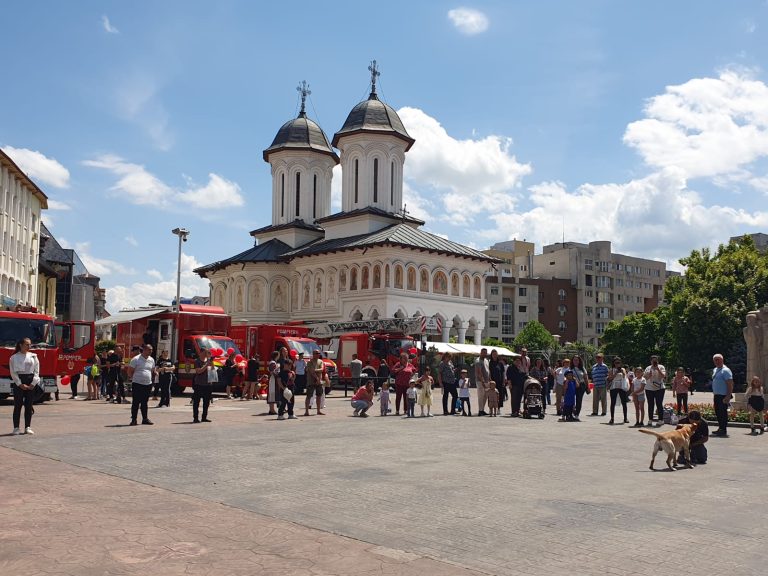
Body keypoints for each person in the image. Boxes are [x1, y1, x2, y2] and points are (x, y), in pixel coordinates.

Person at [9, 338, 39, 435]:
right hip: (19, 381)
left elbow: (37, 371)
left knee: (29, 405)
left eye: (30, 344)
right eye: (27, 344)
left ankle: (27, 427)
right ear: (21, 345)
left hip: (30, 381)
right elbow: (13, 373)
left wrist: (33, 383)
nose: (29, 346)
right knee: (17, 405)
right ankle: (16, 428)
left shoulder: (33, 356)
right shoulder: (14, 357)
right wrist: (19, 384)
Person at [126, 344, 155, 426]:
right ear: (144, 350)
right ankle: (134, 419)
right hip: (137, 384)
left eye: (151, 350)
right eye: (149, 349)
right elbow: (129, 371)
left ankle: (145, 419)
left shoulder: (151, 359)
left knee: (145, 402)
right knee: (136, 402)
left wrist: (154, 375)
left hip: (147, 384)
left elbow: (152, 370)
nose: (151, 351)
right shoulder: (136, 359)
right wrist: (134, 378)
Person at [711, 353, 734, 437]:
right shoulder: (715, 369)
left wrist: (728, 396)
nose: (716, 361)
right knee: (718, 412)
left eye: (718, 359)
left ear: (722, 360)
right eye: (715, 360)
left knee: (723, 413)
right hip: (717, 395)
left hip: (723, 395)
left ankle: (723, 430)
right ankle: (720, 428)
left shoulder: (726, 370)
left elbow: (730, 384)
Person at [643, 355, 667, 424]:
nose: (654, 362)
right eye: (653, 360)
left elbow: (663, 376)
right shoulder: (648, 368)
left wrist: (658, 369)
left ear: (658, 361)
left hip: (660, 388)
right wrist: (649, 375)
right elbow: (644, 378)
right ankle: (650, 419)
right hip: (649, 388)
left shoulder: (661, 367)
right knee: (650, 404)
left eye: (656, 360)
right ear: (651, 361)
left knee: (659, 403)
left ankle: (661, 420)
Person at [391, 351, 416, 416]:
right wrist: (400, 368)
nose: (405, 360)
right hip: (399, 384)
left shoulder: (410, 365)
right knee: (398, 397)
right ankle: (397, 411)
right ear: (401, 359)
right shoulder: (398, 364)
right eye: (404, 358)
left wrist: (411, 375)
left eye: (406, 358)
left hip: (407, 384)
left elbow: (414, 370)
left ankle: (405, 410)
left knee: (406, 398)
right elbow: (393, 371)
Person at [192, 348, 213, 423]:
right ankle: (195, 418)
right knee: (196, 402)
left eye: (207, 352)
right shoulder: (197, 361)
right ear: (200, 353)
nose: (206, 354)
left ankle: (204, 417)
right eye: (205, 352)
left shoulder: (208, 361)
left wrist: (211, 362)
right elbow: (199, 371)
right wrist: (206, 365)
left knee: (206, 402)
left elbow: (212, 370)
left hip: (207, 384)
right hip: (199, 384)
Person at [607, 357, 629, 425]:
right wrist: (615, 373)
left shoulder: (623, 369)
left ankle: (625, 418)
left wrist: (623, 373)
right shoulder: (611, 369)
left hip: (621, 386)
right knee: (612, 402)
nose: (617, 364)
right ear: (614, 363)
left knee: (624, 402)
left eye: (619, 363)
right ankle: (612, 418)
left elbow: (625, 377)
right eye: (616, 363)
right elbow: (610, 378)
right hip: (614, 386)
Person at [304, 349, 325, 416]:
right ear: (313, 354)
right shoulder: (309, 362)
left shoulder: (320, 361)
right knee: (309, 396)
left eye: (318, 353)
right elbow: (311, 371)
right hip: (311, 381)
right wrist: (317, 378)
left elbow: (322, 369)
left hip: (319, 381)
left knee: (319, 396)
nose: (318, 354)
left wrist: (316, 371)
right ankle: (306, 411)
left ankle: (318, 410)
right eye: (316, 353)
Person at [570, 354, 590, 421]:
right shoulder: (570, 368)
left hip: (581, 385)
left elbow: (586, 378)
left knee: (579, 400)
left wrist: (588, 386)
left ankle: (577, 414)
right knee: (571, 399)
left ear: (579, 361)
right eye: (574, 360)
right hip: (572, 385)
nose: (575, 361)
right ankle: (571, 412)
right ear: (572, 361)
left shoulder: (582, 368)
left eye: (577, 360)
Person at [474, 348, 490, 416]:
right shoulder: (478, 361)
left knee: (485, 396)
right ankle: (480, 410)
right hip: (480, 381)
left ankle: (482, 409)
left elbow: (488, 370)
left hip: (487, 381)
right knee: (481, 396)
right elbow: (479, 372)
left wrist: (490, 379)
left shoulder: (486, 360)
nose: (485, 354)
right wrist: (482, 381)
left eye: (485, 353)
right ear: (480, 352)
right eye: (483, 352)